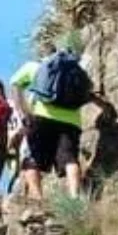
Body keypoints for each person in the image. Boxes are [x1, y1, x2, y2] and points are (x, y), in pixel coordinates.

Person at [9, 46, 105, 200]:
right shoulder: (73, 69)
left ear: (43, 55)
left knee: (33, 158)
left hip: (42, 117)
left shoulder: (35, 67)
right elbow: (88, 92)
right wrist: (104, 106)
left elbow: (15, 85)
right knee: (70, 158)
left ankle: (38, 198)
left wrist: (24, 112)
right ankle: (75, 197)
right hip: (71, 121)